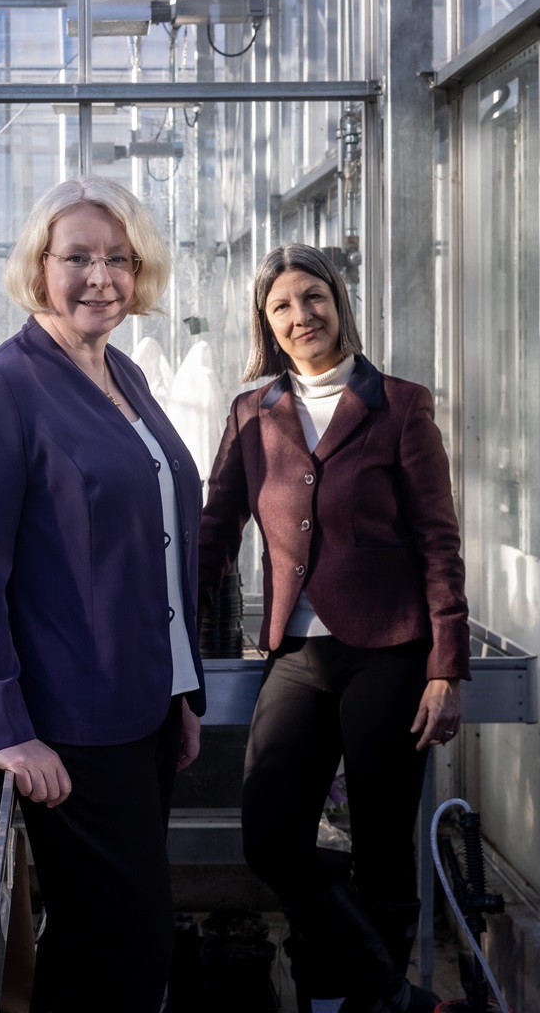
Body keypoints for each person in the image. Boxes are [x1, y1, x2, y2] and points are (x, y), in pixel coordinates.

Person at [0, 176, 206, 1013]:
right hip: (71, 727)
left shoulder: (121, 371)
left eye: (118, 259)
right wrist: (5, 729)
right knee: (127, 944)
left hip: (146, 711)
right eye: (77, 257)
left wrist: (181, 692)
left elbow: (155, 540)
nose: (101, 278)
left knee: (101, 943)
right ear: (38, 266)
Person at [198, 244, 465, 1013]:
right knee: (271, 834)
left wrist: (446, 665)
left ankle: (358, 1002)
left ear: (339, 303)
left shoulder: (401, 406)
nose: (300, 315)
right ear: (266, 323)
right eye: (282, 305)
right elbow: (215, 534)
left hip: (390, 651)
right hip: (298, 656)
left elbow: (438, 541)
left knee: (383, 847)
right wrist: (175, 641)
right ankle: (387, 990)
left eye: (313, 297)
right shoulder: (253, 413)